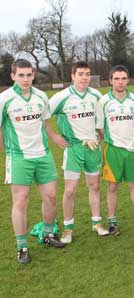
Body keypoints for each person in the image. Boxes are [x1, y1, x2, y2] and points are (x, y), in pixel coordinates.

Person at [0, 59, 65, 264]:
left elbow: (44, 124)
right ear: (13, 76)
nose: (26, 79)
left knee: (52, 196)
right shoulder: (5, 99)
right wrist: (6, 152)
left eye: (29, 75)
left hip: (43, 154)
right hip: (19, 157)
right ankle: (22, 247)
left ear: (33, 75)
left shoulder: (41, 96)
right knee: (21, 200)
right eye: (21, 75)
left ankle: (47, 234)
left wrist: (54, 137)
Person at [48, 61, 109, 243]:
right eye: (80, 74)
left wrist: (100, 134)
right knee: (70, 191)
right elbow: (42, 115)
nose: (84, 78)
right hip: (73, 148)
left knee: (95, 186)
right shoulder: (62, 96)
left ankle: (97, 223)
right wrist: (55, 137)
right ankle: (68, 228)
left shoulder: (95, 95)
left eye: (87, 74)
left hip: (92, 148)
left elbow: (102, 116)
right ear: (72, 76)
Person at [96, 65, 134, 235]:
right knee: (112, 186)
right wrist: (113, 140)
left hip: (133, 150)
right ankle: (112, 222)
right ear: (110, 80)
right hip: (113, 151)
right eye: (117, 78)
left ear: (128, 80)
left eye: (123, 78)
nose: (120, 82)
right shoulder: (104, 101)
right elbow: (100, 128)